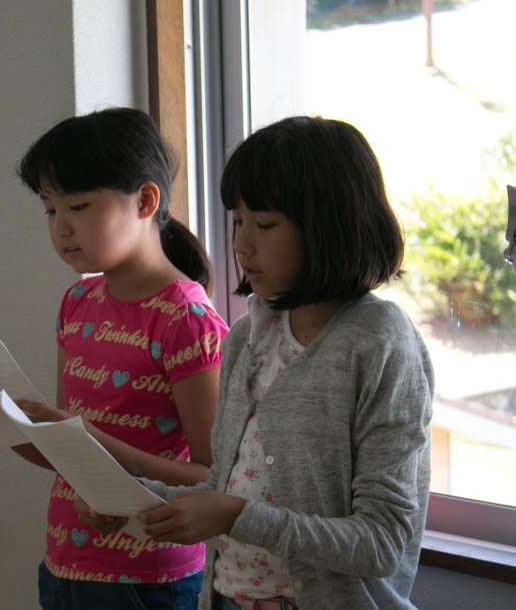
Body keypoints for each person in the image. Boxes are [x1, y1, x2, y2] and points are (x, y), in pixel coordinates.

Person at [129, 116, 433, 610]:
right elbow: (222, 488)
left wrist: (233, 515)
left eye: (265, 224)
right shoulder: (248, 337)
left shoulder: (379, 343)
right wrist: (137, 499)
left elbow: (383, 543)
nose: (242, 244)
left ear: (329, 226)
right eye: (238, 222)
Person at [0, 107, 229, 609]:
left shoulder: (185, 317)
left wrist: (99, 446)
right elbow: (63, 451)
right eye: (51, 210)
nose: (62, 228)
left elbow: (214, 476)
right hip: (66, 562)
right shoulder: (78, 302)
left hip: (147, 575)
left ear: (144, 200)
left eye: (79, 206)